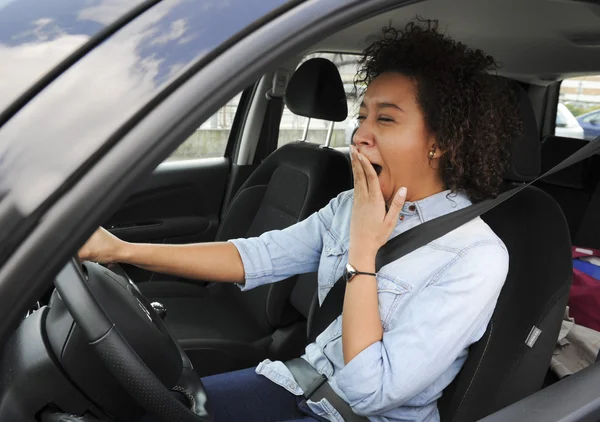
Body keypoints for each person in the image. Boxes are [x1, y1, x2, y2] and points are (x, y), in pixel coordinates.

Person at [78, 18, 522, 422]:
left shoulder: (475, 256)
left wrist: (362, 253)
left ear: (440, 142)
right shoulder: (350, 205)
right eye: (363, 114)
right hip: (300, 383)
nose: (360, 134)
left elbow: (371, 392)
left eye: (385, 119)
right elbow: (255, 256)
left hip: (364, 417)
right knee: (148, 411)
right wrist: (120, 249)